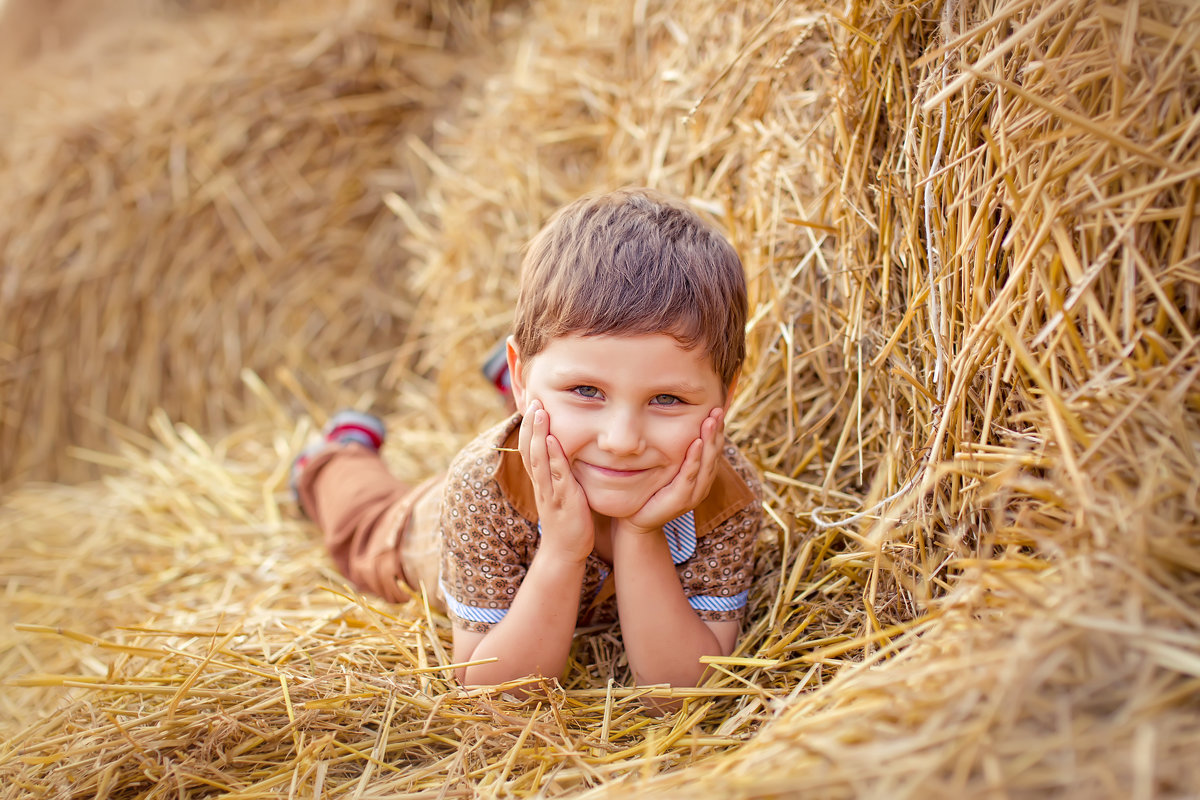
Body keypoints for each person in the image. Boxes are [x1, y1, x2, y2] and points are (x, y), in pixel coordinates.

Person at [292, 187, 763, 689]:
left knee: (574, 431)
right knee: (365, 524)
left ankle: (552, 392)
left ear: (725, 398)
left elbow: (678, 692)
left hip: (557, 443)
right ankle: (337, 455)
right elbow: (494, 692)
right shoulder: (481, 487)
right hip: (429, 527)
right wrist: (562, 548)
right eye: (587, 389)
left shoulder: (726, 497)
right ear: (525, 378)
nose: (623, 439)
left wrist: (641, 534)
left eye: (667, 399)